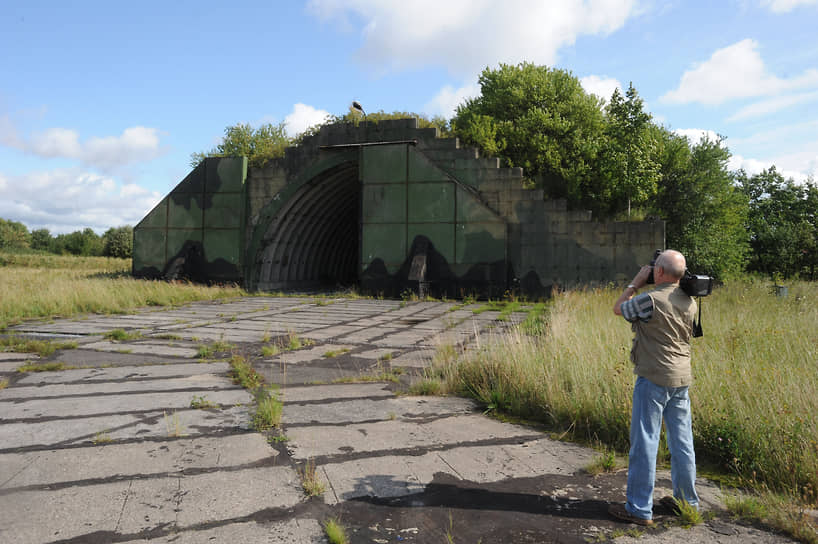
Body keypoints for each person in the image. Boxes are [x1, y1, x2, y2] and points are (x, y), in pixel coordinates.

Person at [608, 249, 700, 526]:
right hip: (681, 378)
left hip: (653, 378)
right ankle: (687, 502)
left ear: (658, 272)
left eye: (653, 268)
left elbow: (618, 308)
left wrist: (636, 282)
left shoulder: (649, 300)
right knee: (682, 442)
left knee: (645, 442)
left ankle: (639, 509)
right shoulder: (690, 300)